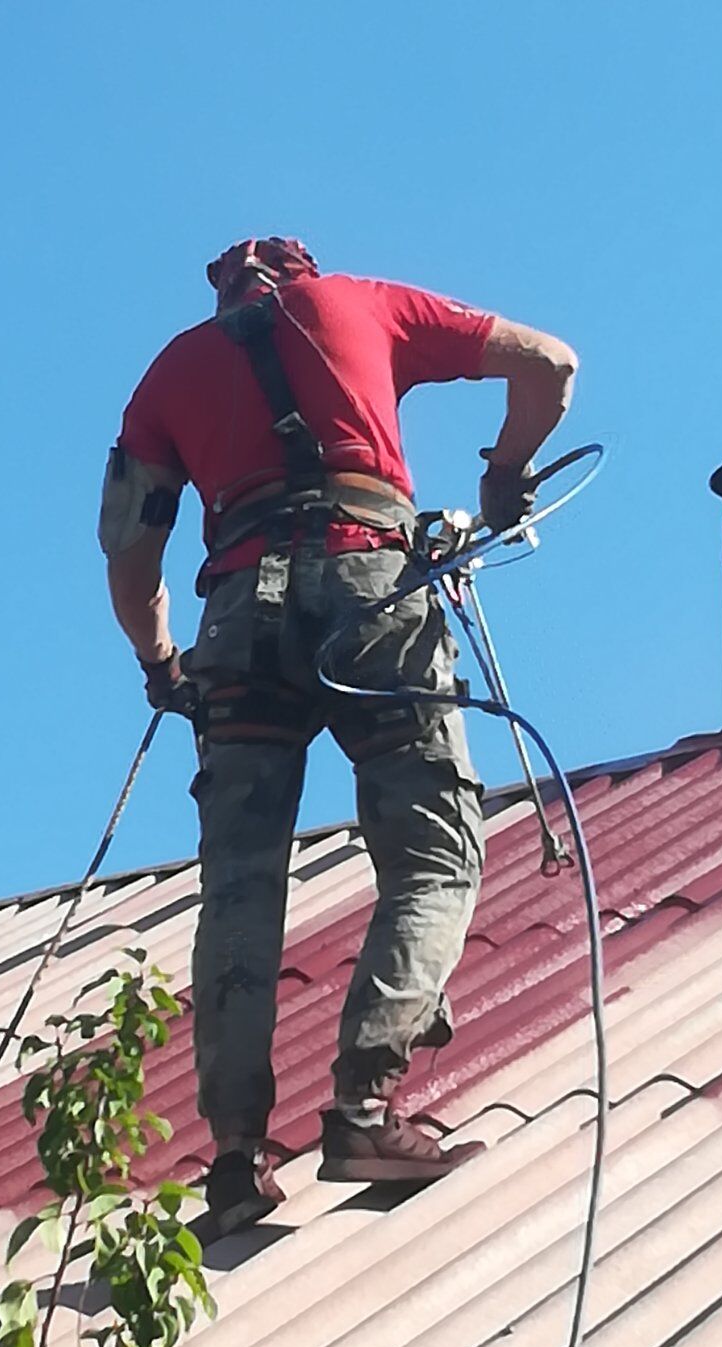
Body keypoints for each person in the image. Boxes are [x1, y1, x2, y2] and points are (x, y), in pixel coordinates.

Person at [98, 237, 577, 1232]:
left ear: (222, 292)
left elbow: (128, 547)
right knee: (436, 850)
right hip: (372, 589)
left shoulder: (171, 375)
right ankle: (363, 1105)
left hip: (237, 619)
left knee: (239, 885)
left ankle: (235, 1159)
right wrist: (504, 470)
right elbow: (550, 365)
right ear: (300, 275)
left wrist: (160, 662)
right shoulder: (364, 304)